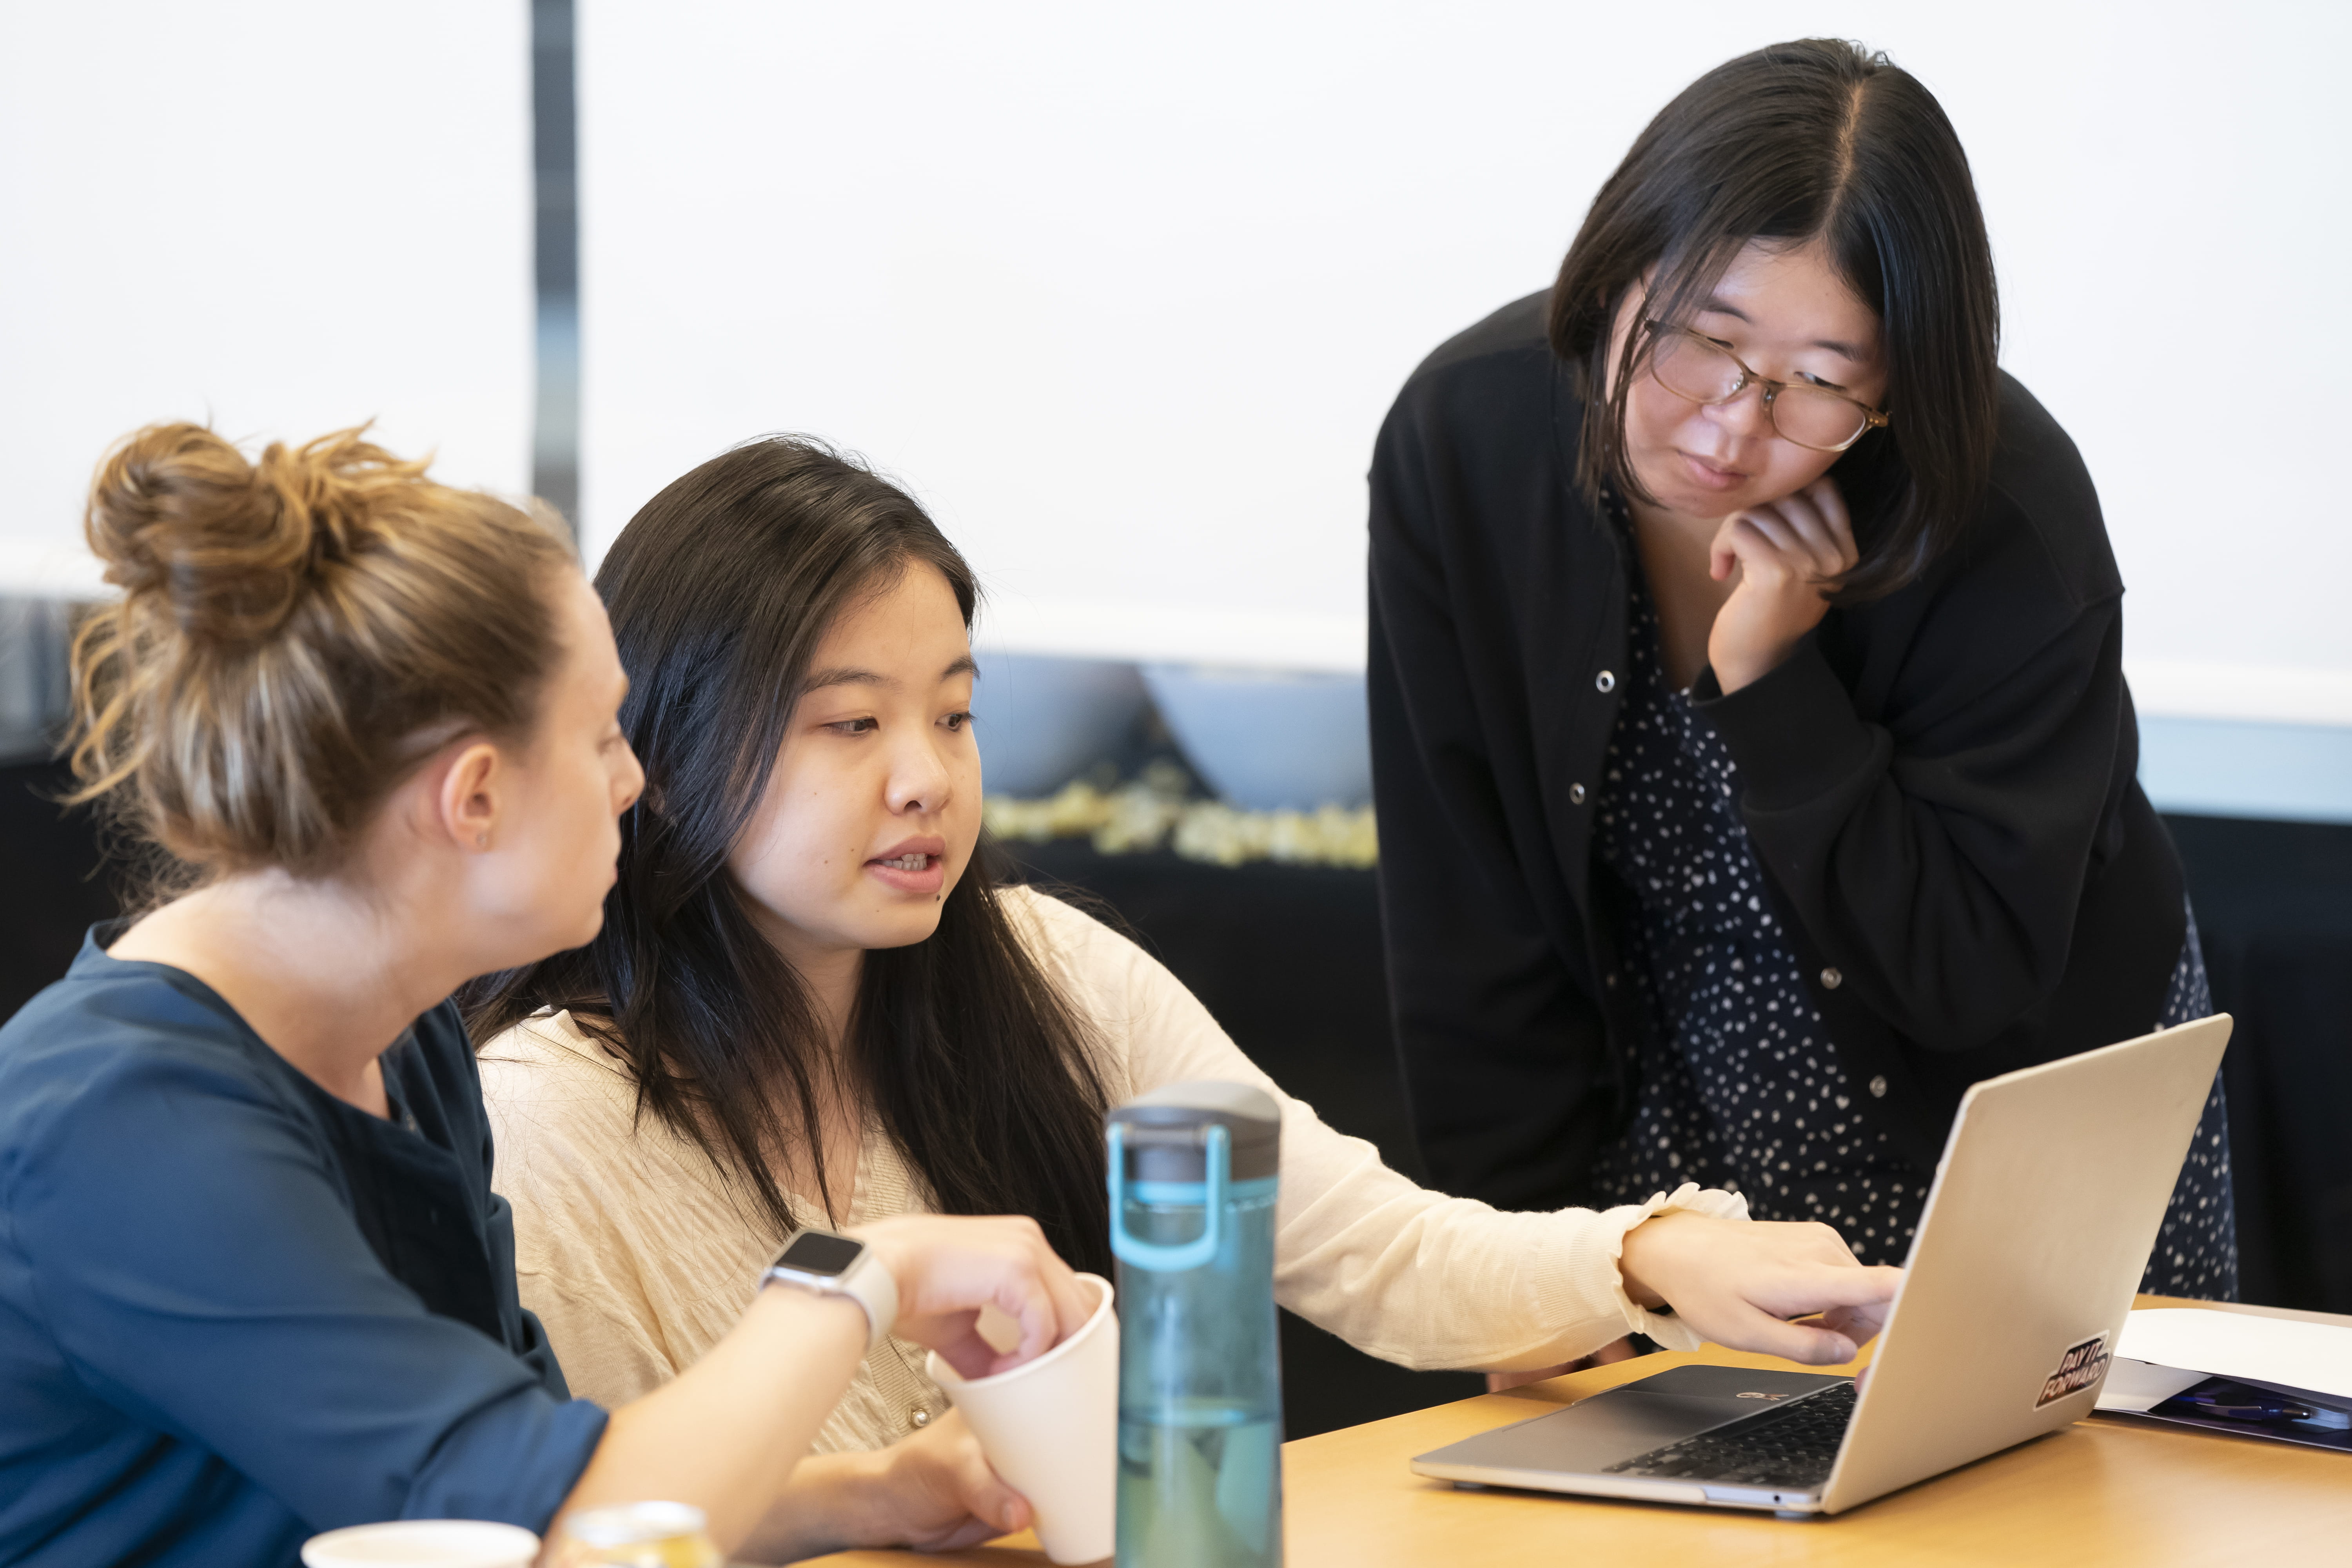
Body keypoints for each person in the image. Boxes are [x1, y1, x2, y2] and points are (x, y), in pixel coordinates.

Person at [466, 434, 1904, 1551]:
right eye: (853, 723)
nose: (926, 776)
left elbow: (1376, 1252)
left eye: (957, 714)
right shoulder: (549, 1124)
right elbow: (587, 1529)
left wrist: (1651, 1256)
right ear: (663, 739)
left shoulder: (1044, 969)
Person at [0, 424, 1093, 1568]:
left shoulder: (403, 1039)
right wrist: (867, 1273)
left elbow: (541, 1480)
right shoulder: (125, 1124)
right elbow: (548, 1527)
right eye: (602, 737)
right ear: (474, 797)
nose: (635, 781)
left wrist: (869, 1497)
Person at [1367, 34, 2234, 1348]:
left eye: (1823, 385)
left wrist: (1773, 686)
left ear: (1901, 385)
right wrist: (1529, 1300)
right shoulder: (1462, 443)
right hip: (1681, 1171)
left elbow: (1969, 973)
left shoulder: (2005, 516)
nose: (1730, 426)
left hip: (2014, 1143)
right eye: (1696, 344)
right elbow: (1469, 932)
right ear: (1613, 278)